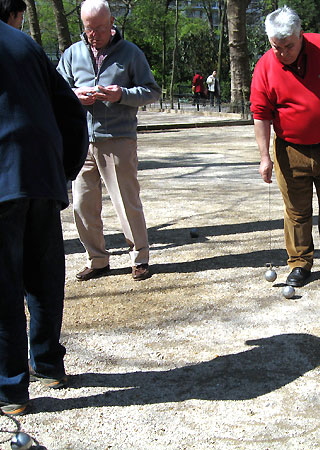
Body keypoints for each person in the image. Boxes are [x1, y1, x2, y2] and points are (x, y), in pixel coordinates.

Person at [0, 20, 88, 415]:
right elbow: (70, 109)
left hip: (5, 178)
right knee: (43, 274)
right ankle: (49, 365)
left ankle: (10, 389)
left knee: (4, 287)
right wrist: (62, 173)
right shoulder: (25, 44)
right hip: (40, 175)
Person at [250, 5, 320, 287]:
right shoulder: (265, 67)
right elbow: (260, 115)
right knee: (297, 212)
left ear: (301, 35)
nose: (282, 53)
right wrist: (264, 157)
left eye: (288, 46)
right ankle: (300, 263)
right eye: (276, 46)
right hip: (290, 149)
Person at [57, 0, 161, 282]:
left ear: (111, 22)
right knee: (82, 204)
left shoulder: (130, 53)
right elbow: (56, 89)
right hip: (81, 140)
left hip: (118, 138)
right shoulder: (72, 54)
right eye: (89, 29)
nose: (94, 34)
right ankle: (98, 259)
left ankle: (139, 258)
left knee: (126, 202)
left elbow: (152, 91)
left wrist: (121, 95)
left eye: (100, 28)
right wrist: (74, 96)